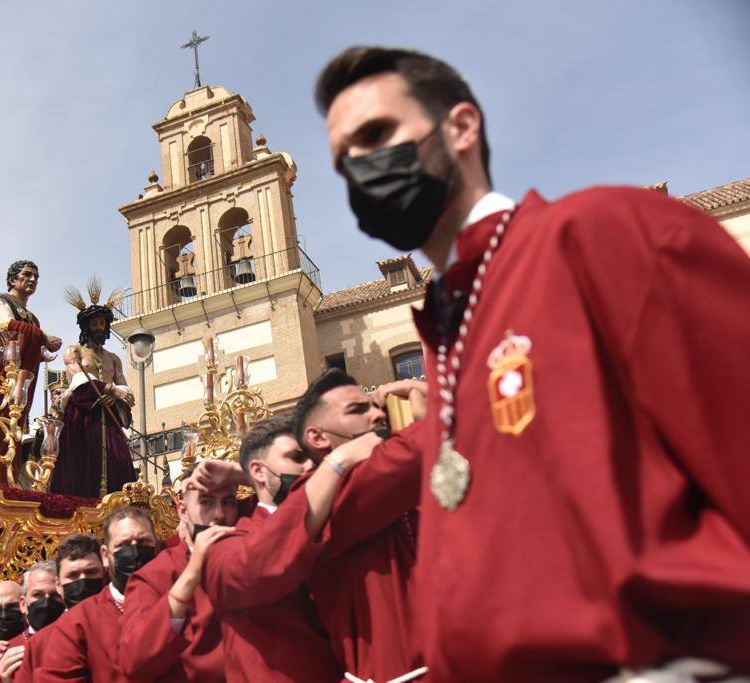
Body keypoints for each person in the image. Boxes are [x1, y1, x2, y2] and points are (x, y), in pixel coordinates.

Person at [317, 46, 750, 681]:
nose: (361, 167)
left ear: (462, 127)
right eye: (343, 160)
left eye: (377, 134)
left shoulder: (603, 231)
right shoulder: (449, 330)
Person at [196, 414, 380, 682]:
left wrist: (243, 473)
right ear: (259, 471)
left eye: (312, 459)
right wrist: (336, 463)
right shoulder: (228, 545)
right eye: (296, 457)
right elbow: (256, 567)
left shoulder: (337, 518)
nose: (309, 467)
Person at [293, 368, 426, 681]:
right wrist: (420, 394)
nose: (378, 415)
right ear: (317, 436)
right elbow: (414, 451)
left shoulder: (395, 481)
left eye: (376, 406)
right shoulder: (327, 492)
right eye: (358, 410)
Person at [118, 465, 237, 681]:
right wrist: (192, 574)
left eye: (228, 502)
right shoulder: (153, 576)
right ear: (182, 511)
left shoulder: (251, 551)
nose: (219, 515)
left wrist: (241, 473)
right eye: (206, 502)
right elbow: (135, 661)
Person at [18, 506, 159, 681]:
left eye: (143, 542)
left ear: (157, 546)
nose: (135, 552)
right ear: (106, 556)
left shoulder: (182, 597)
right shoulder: (76, 623)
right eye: (122, 545)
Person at [0, 260, 62, 489]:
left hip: (18, 386)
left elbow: (24, 348)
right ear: (13, 280)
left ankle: (8, 482)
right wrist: (41, 338)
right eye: (27, 275)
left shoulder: (32, 318)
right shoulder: (2, 301)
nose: (32, 280)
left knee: (13, 431)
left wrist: (39, 353)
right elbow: (3, 327)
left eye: (36, 277)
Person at [52, 279, 136, 498]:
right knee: (81, 464)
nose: (99, 328)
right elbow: (79, 380)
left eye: (102, 323)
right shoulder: (74, 352)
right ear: (85, 326)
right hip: (83, 415)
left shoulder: (114, 359)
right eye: (94, 324)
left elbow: (125, 390)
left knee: (120, 461)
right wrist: (111, 389)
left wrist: (116, 397)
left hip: (109, 417)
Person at [14, 534, 106, 681]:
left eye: (91, 572)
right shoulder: (38, 644)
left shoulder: (128, 622)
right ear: (59, 585)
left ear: (105, 574)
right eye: (73, 575)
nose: (82, 581)